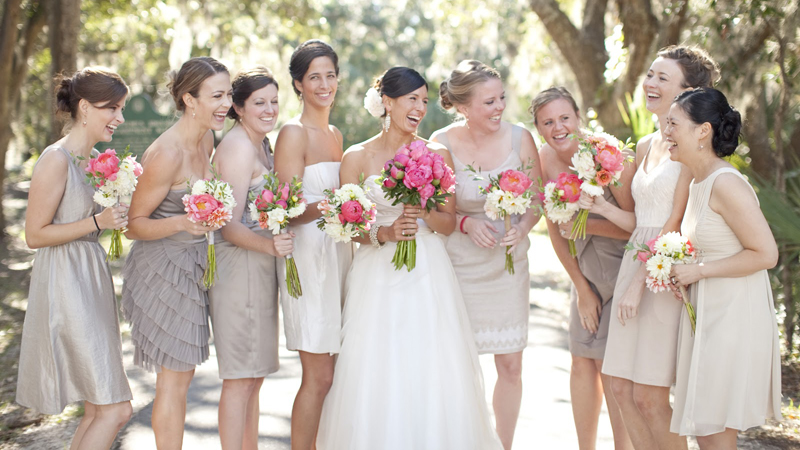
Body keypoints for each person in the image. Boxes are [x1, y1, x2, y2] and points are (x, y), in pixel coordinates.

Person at [316, 67, 503, 449]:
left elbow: (448, 223)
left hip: (428, 271)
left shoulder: (437, 154)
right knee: (377, 368)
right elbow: (344, 224)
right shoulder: (357, 156)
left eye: (424, 100)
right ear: (386, 102)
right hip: (376, 276)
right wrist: (383, 233)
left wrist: (420, 205)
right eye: (411, 99)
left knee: (430, 367)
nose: (419, 108)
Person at [593, 46, 719, 450]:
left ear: (688, 91)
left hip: (664, 274)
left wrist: (638, 285)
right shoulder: (646, 145)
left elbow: (673, 225)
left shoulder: (690, 147)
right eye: (650, 74)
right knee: (618, 387)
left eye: (663, 78)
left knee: (649, 396)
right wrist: (597, 208)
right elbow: (639, 221)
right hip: (637, 259)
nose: (649, 83)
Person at [16, 67, 132, 450]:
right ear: (84, 107)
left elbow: (95, 224)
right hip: (66, 282)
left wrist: (115, 215)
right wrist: (96, 221)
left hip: (92, 277)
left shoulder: (97, 160)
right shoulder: (56, 159)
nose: (120, 118)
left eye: (121, 108)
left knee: (101, 409)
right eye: (112, 108)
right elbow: (35, 235)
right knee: (115, 409)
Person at [430, 60, 542, 449]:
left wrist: (523, 228)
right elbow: (436, 208)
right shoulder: (439, 143)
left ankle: (503, 445)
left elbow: (537, 199)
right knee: (461, 363)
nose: (499, 109)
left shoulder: (520, 138)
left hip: (508, 264)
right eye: (489, 102)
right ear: (463, 107)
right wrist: (465, 223)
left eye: (501, 99)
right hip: (459, 263)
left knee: (510, 363)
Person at [122, 56, 231, 449]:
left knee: (181, 377)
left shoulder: (206, 138)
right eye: (217, 95)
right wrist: (184, 224)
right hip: (162, 268)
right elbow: (134, 224)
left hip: (193, 265)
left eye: (228, 93)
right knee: (175, 378)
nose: (226, 103)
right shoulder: (165, 153)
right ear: (189, 98)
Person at [665, 87, 781, 450]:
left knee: (714, 431)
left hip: (733, 316)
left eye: (673, 123)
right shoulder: (699, 181)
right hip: (709, 311)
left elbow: (766, 254)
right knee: (704, 428)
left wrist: (698, 271)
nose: (666, 131)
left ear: (703, 131)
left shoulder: (727, 183)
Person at [532, 87, 634, 450]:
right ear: (539, 128)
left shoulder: (609, 154)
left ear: (579, 117)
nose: (558, 127)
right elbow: (556, 231)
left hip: (623, 269)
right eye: (548, 122)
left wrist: (585, 224)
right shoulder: (543, 160)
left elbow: (636, 224)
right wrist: (580, 288)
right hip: (586, 273)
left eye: (564, 118)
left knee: (612, 372)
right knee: (580, 362)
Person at [272, 39, 354, 450]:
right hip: (308, 258)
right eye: (314, 77)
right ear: (298, 84)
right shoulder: (292, 133)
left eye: (330, 75)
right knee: (318, 375)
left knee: (336, 372)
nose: (324, 84)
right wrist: (334, 205)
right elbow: (285, 209)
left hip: (340, 253)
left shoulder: (336, 133)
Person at [209, 66, 294, 450]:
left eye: (274, 101)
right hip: (238, 268)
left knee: (255, 376)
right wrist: (270, 246)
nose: (269, 109)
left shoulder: (263, 144)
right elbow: (227, 225)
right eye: (259, 102)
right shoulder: (238, 147)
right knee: (240, 377)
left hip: (259, 269)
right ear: (238, 108)